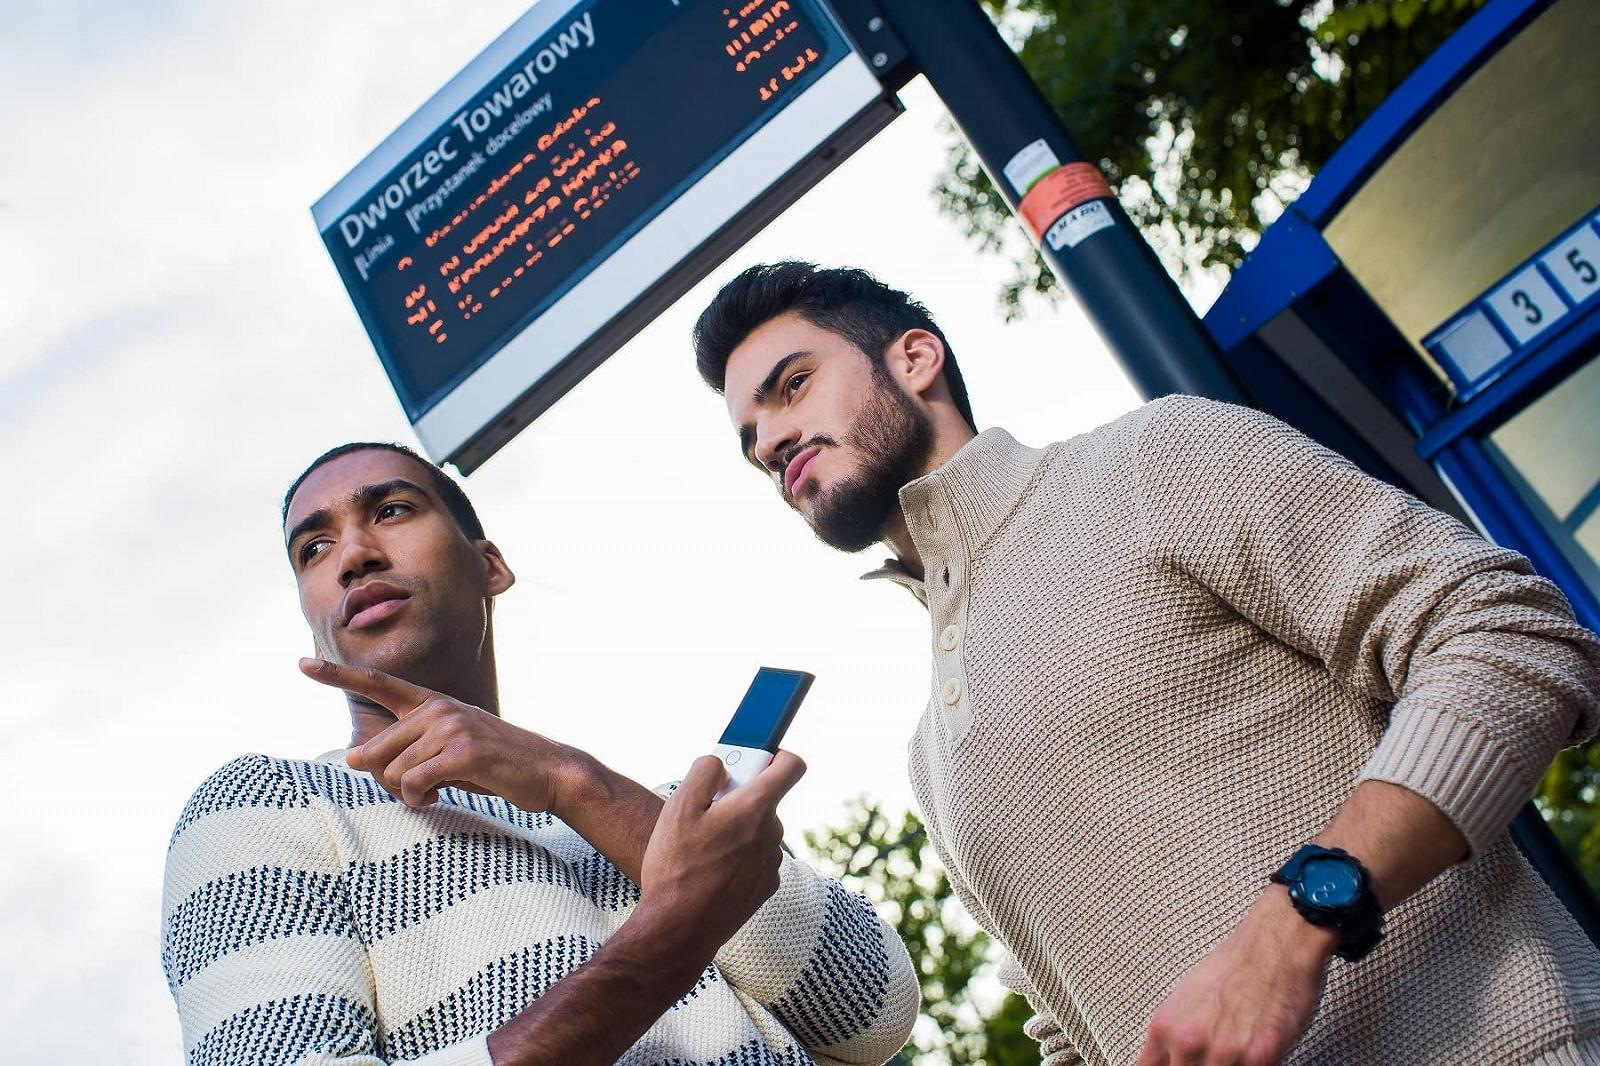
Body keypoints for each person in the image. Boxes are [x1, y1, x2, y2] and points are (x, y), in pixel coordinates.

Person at [692, 261, 1600, 1065]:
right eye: (752, 442)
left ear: (915, 359)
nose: (772, 442)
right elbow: (1074, 1030)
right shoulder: (933, 758)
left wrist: (1292, 927)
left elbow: (1509, 633)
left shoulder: (1151, 462)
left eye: (794, 385)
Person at [161, 441, 919, 1066]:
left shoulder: (644, 811)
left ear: (489, 565)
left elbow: (873, 1011)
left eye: (391, 511)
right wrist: (665, 941)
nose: (352, 556)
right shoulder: (267, 804)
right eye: (313, 548)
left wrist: (573, 782)